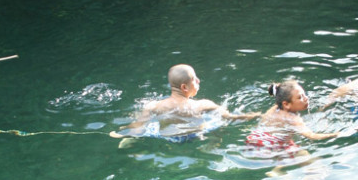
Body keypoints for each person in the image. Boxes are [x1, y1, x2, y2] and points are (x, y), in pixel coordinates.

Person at [110, 63, 259, 140]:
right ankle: (214, 143)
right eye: (195, 79)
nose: (199, 80)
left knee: (140, 131)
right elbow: (230, 118)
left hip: (168, 137)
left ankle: (126, 140)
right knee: (217, 127)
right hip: (195, 136)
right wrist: (255, 115)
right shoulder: (202, 104)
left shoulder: (154, 106)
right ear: (184, 87)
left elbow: (138, 127)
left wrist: (125, 133)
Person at [246, 79, 337, 151]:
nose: (306, 98)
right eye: (300, 97)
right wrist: (336, 134)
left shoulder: (275, 108)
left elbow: (262, 120)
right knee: (303, 154)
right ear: (286, 104)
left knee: (287, 142)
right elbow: (312, 136)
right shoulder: (294, 119)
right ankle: (277, 169)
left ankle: (278, 168)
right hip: (270, 146)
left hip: (254, 139)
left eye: (304, 95)